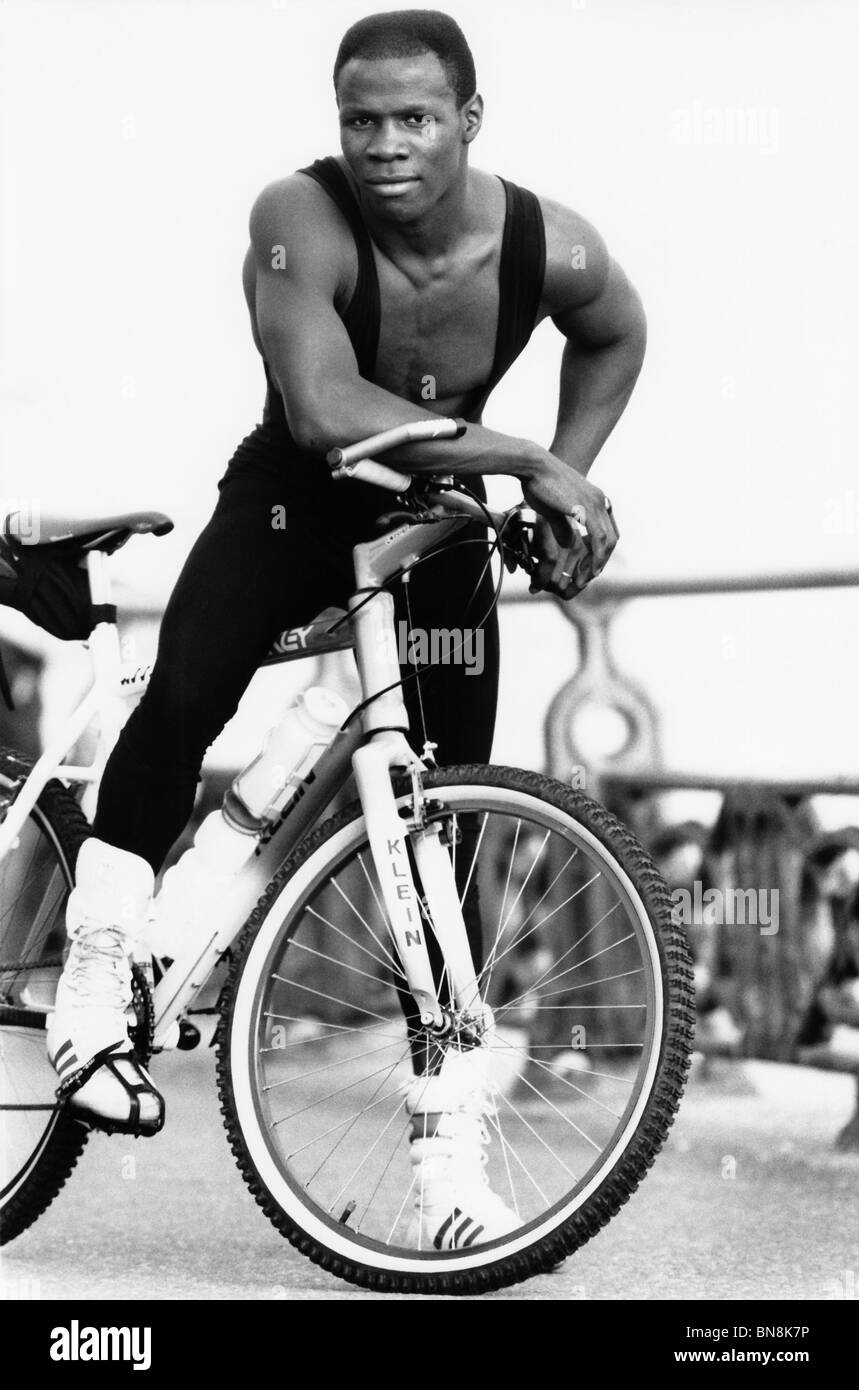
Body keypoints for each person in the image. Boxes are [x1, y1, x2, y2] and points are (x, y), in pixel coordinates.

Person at [47, 9, 646, 1249]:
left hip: (429, 522)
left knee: (446, 823)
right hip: (289, 503)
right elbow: (323, 409)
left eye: (415, 119)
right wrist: (534, 462)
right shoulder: (296, 215)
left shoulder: (547, 243)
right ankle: (97, 971)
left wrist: (562, 472)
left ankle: (444, 1158)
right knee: (188, 696)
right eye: (360, 119)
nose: (384, 145)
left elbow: (618, 331)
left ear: (470, 122)